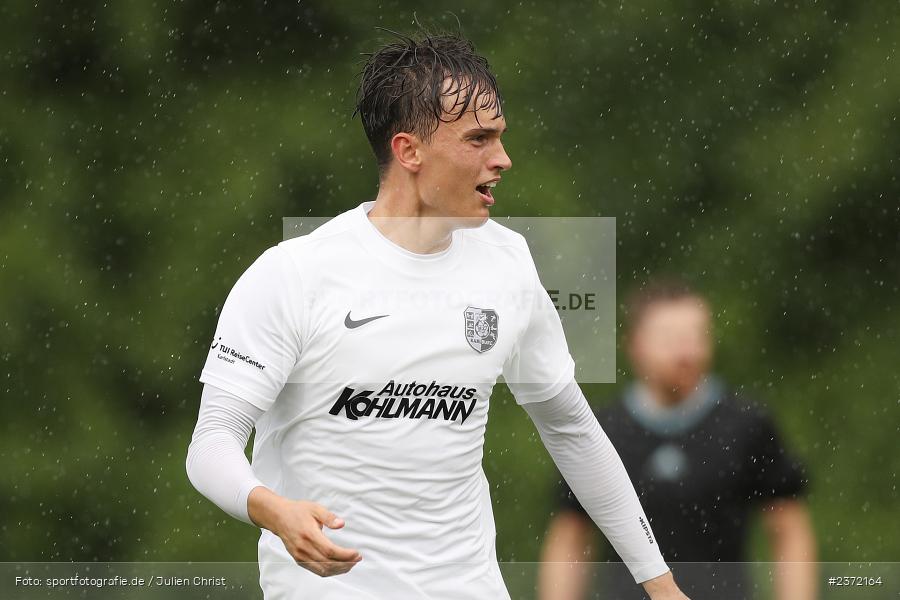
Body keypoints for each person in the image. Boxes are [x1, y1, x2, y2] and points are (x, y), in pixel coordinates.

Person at [185, 29, 689, 600]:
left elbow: (571, 428)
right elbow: (211, 445)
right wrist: (273, 511)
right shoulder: (294, 274)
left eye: (500, 137)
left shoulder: (509, 261)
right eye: (479, 139)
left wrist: (661, 584)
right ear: (409, 151)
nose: (503, 159)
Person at [538, 280, 818, 600]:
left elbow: (789, 532)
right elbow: (570, 539)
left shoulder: (747, 425)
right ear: (634, 344)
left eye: (695, 337)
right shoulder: (601, 431)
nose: (686, 352)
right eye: (669, 338)